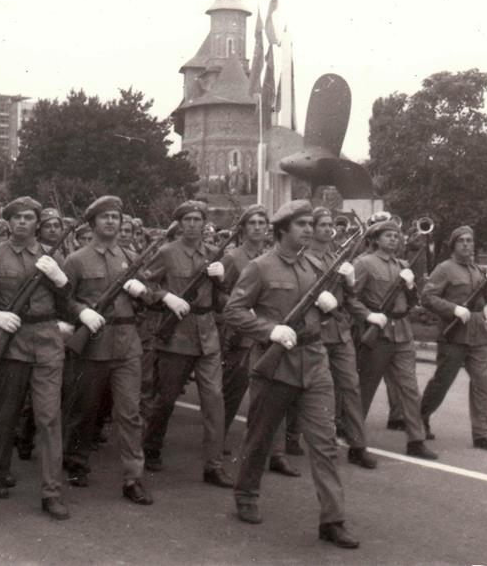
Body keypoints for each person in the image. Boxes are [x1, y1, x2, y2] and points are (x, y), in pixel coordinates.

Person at [223, 200, 358, 549]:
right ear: (282, 230)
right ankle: (247, 495)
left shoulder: (316, 265)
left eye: (311, 224)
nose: (309, 230)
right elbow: (233, 311)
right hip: (276, 364)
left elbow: (325, 316)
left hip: (314, 361)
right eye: (301, 225)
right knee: (260, 436)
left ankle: (332, 519)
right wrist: (269, 331)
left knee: (324, 443)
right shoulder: (260, 267)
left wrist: (333, 306)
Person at [0, 196, 73, 520]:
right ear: (7, 222)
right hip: (12, 340)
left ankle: (51, 492)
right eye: (17, 217)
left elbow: (67, 300)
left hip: (46, 339)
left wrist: (61, 281)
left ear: (37, 222)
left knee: (48, 418)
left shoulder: (53, 255)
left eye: (29, 217)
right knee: (7, 413)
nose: (23, 222)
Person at [62, 195, 154, 505]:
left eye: (116, 216)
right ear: (92, 223)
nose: (112, 222)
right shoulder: (75, 260)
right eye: (105, 217)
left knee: (129, 413)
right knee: (84, 409)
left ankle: (133, 477)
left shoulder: (130, 256)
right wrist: (80, 313)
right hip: (93, 343)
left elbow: (149, 297)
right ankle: (76, 461)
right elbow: (64, 298)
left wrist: (143, 292)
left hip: (127, 342)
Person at [140, 200, 233, 487]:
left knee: (214, 400)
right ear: (179, 224)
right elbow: (143, 284)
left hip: (207, 334)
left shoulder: (214, 255)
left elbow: (221, 301)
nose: (192, 224)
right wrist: (164, 297)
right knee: (165, 399)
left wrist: (221, 281)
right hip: (176, 334)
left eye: (197, 219)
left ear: (205, 223)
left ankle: (213, 465)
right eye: (187, 219)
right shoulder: (167, 253)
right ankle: (151, 445)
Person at [218, 205, 300, 477]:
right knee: (233, 394)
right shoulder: (233, 258)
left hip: (267, 338)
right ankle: (218, 442)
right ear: (242, 228)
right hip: (240, 338)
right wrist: (246, 309)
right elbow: (221, 297)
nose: (257, 227)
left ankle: (275, 453)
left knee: (272, 398)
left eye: (262, 222)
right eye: (251, 222)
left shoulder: (273, 258)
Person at [348, 219, 437, 459]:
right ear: (375, 239)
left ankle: (416, 440)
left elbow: (411, 302)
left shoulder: (403, 265)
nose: (393, 239)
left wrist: (410, 286)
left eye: (396, 236)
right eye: (387, 235)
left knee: (409, 388)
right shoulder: (363, 264)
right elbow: (350, 298)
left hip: (402, 331)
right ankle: (356, 445)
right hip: (377, 332)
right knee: (365, 388)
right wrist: (368, 316)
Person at [419, 226, 487, 452]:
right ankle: (421, 417)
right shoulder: (444, 269)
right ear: (453, 245)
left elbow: (482, 302)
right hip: (453, 334)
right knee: (442, 382)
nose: (467, 244)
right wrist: (453, 309)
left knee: (481, 384)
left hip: (477, 333)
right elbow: (427, 298)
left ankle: (481, 434)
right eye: (462, 241)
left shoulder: (477, 270)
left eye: (470, 240)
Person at [306, 207, 377, 469]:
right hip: (315, 331)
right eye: (321, 225)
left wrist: (349, 282)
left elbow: (349, 298)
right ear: (311, 229)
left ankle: (357, 445)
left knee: (351, 386)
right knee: (312, 388)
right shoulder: (304, 258)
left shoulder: (338, 256)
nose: (328, 229)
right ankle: (294, 436)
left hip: (340, 331)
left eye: (329, 225)